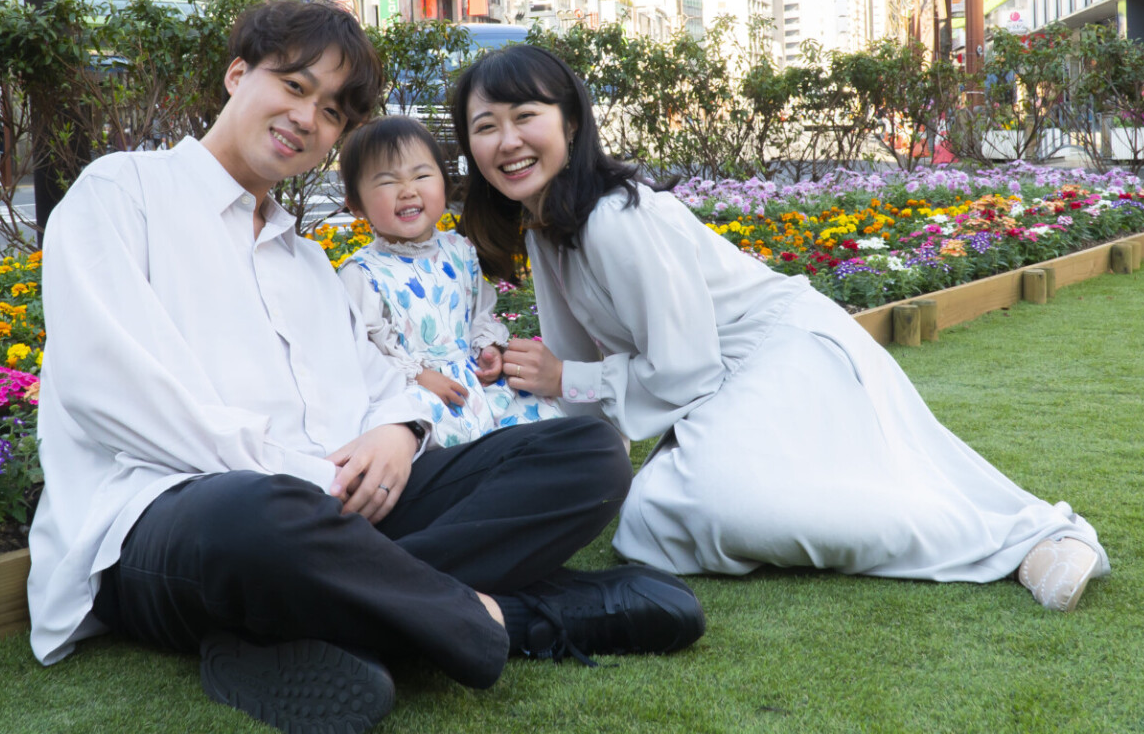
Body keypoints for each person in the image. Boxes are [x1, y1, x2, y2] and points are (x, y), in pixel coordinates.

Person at [28, 1, 704, 734]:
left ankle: (293, 635)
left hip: (337, 510)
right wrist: (305, 481)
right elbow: (113, 395)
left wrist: (399, 427)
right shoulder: (121, 195)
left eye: (331, 112)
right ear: (237, 74)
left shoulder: (307, 262)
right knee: (256, 516)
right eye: (293, 86)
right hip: (172, 522)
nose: (307, 119)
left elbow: (381, 383)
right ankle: (504, 621)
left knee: (585, 455)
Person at [450, 45, 1110, 613]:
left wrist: (569, 379)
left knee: (708, 509)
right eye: (486, 126)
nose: (507, 141)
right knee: (649, 519)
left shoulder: (614, 218)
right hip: (721, 387)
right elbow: (573, 369)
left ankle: (1028, 540)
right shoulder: (546, 230)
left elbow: (679, 369)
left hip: (782, 355)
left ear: (570, 122)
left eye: (525, 117)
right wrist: (568, 443)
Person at [336, 115, 566, 449]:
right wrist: (419, 376)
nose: (408, 191)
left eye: (422, 175)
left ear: (443, 183)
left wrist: (487, 348)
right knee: (441, 444)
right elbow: (365, 350)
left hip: (476, 381)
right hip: (418, 391)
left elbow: (478, 313)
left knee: (542, 426)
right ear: (356, 205)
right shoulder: (363, 272)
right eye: (388, 182)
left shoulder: (460, 250)